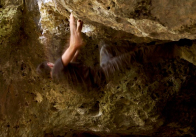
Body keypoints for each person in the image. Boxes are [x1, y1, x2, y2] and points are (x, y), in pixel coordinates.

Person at [37, 13, 187, 90]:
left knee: (106, 48)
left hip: (102, 71)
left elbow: (74, 52)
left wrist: (77, 28)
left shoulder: (59, 76)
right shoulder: (57, 69)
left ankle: (146, 44)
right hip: (105, 74)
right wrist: (71, 21)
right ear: (49, 65)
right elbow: (75, 45)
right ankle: (177, 48)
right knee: (138, 56)